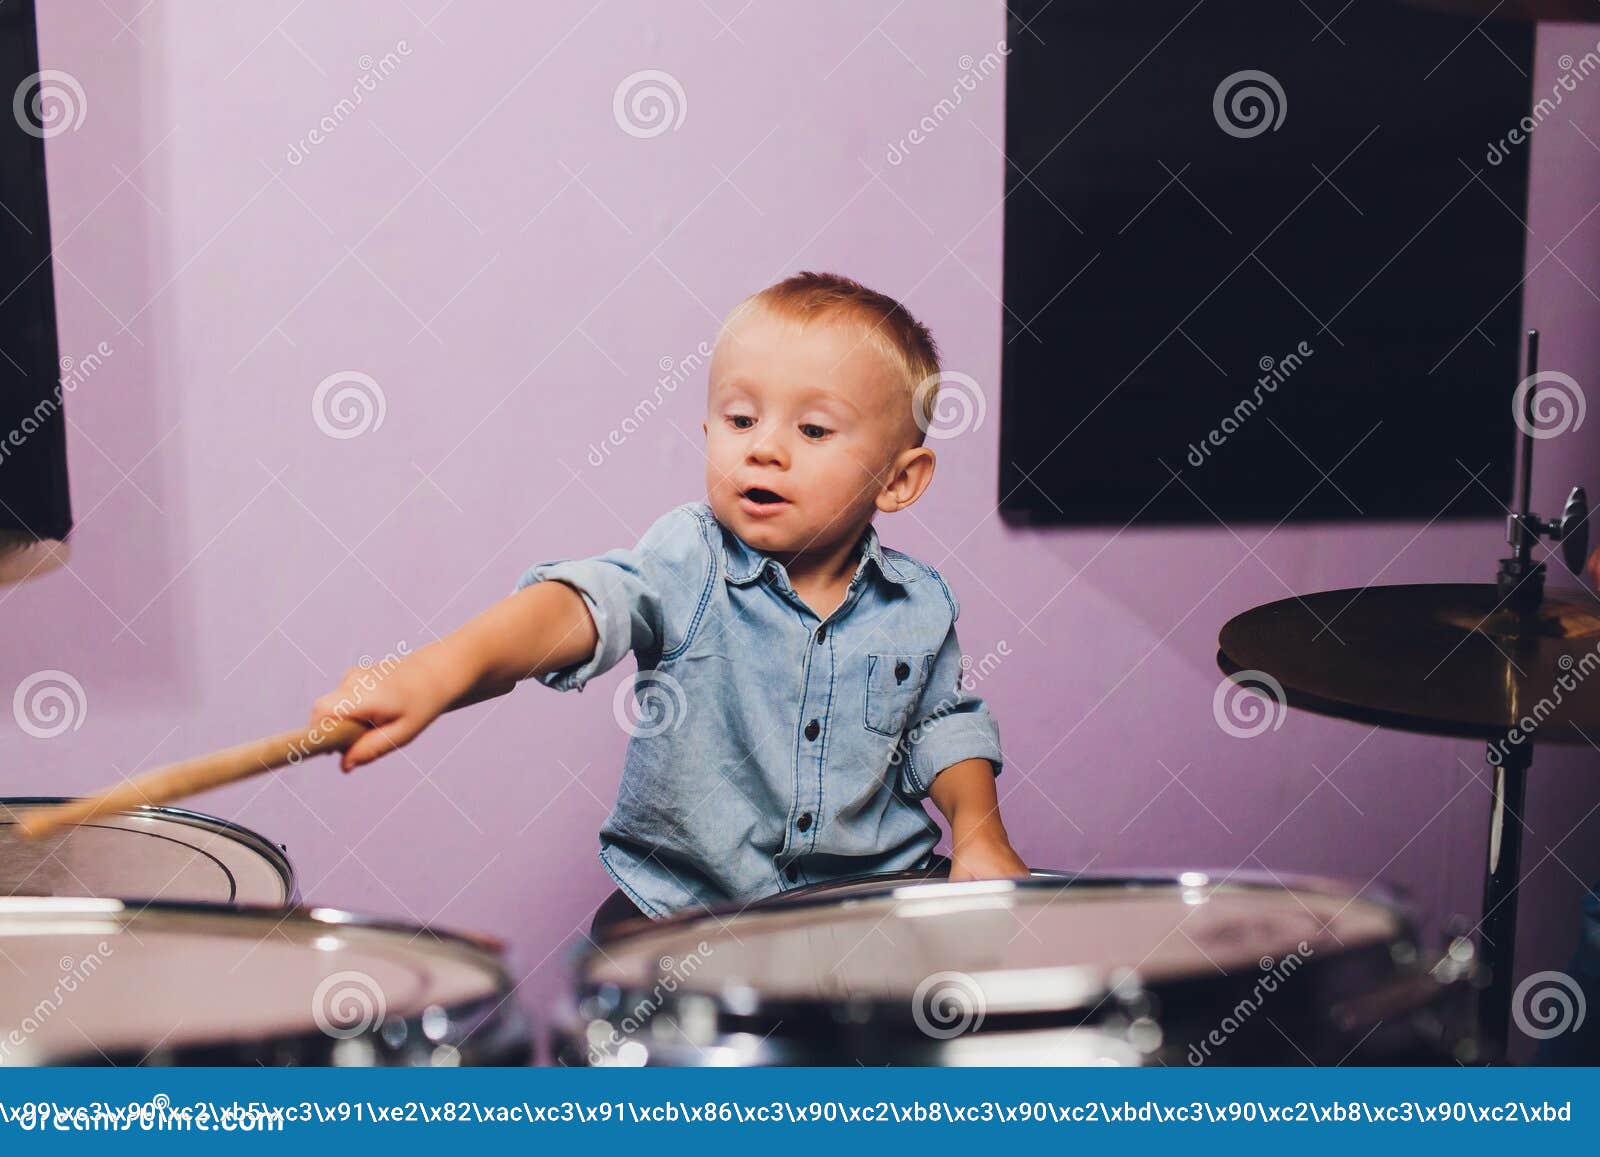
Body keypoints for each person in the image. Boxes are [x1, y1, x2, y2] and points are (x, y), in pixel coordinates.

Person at [310, 271, 1028, 936]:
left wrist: (980, 834)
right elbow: (584, 603)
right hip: (692, 919)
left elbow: (943, 726)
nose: (765, 449)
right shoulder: (689, 557)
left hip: (869, 905)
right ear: (709, 432)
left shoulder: (920, 602)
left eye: (812, 429)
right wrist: (438, 670)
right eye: (741, 419)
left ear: (898, 480)